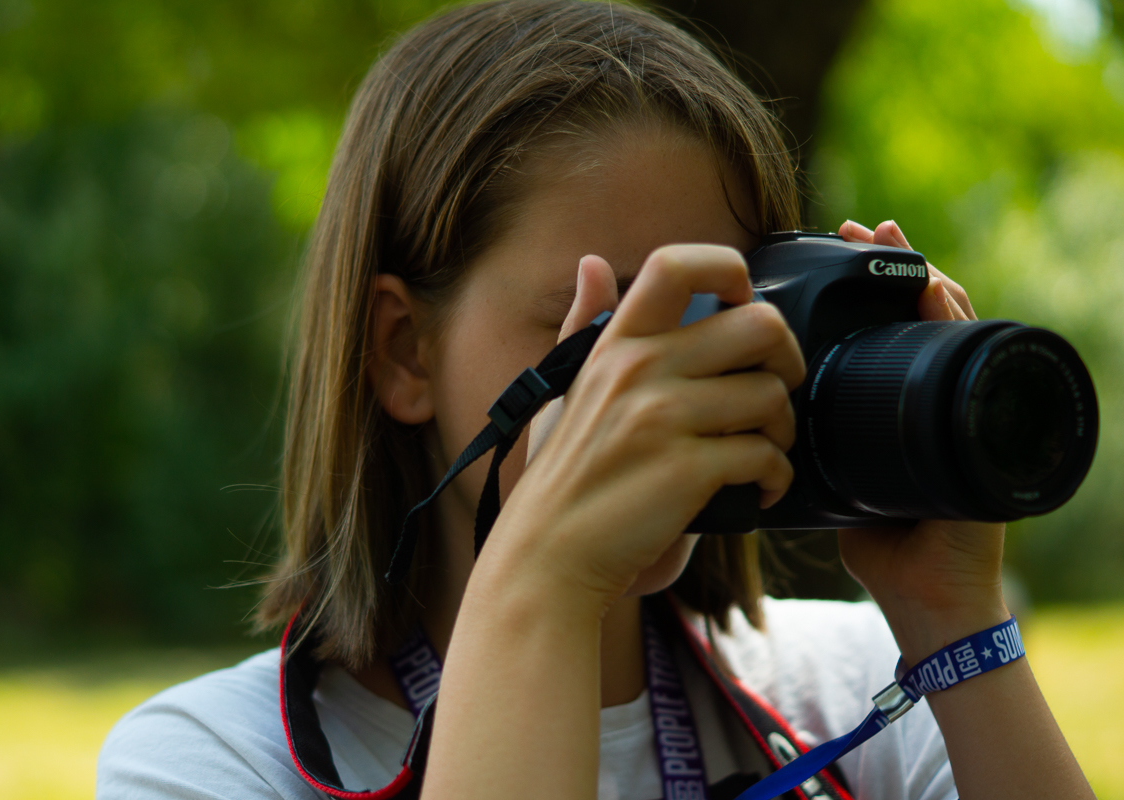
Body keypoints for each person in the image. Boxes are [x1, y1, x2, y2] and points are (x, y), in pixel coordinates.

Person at [97, 2, 1095, 799]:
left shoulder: (852, 683)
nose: (667, 378)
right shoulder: (207, 762)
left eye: (719, 308)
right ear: (403, 351)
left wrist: (951, 616)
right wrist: (545, 577)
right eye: (611, 319)